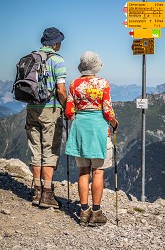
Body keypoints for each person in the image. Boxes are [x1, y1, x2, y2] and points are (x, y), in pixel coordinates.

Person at [65, 51, 118, 226]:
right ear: (96, 66)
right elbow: (107, 110)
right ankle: (96, 212)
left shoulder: (73, 84)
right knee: (98, 171)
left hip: (80, 129)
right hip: (98, 129)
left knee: (83, 171)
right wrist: (114, 122)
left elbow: (69, 111)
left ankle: (83, 210)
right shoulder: (103, 83)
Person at [26, 27, 67, 208]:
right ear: (56, 43)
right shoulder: (57, 60)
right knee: (49, 150)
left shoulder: (31, 58)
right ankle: (47, 194)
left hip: (31, 108)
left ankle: (36, 191)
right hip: (50, 110)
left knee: (36, 150)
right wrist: (66, 107)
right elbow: (61, 90)